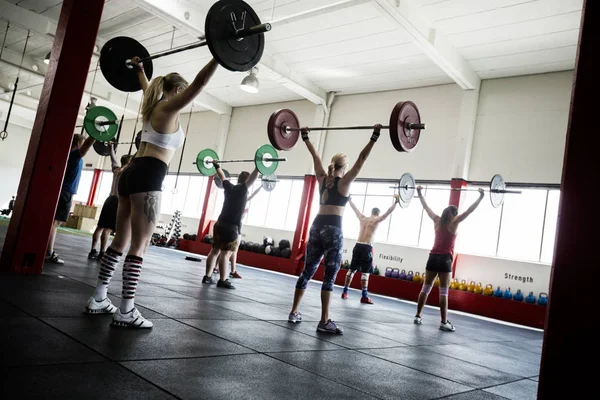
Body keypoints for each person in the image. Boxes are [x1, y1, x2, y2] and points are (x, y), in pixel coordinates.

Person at [83, 56, 219, 329]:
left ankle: (99, 298)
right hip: (149, 174)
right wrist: (219, 56)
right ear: (178, 90)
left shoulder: (152, 103)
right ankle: (126, 310)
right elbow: (201, 82)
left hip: (131, 173)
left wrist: (140, 70)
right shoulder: (169, 107)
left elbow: (146, 86)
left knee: (120, 241)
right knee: (139, 245)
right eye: (183, 91)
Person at [288, 124, 381, 334]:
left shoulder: (322, 179)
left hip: (316, 227)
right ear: (344, 167)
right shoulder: (344, 182)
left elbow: (314, 155)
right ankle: (324, 321)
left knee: (307, 272)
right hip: (333, 231)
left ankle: (293, 312)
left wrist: (305, 136)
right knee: (329, 277)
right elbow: (362, 159)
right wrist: (374, 136)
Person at [413, 185, 485, 331]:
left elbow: (426, 207)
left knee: (425, 288)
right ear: (454, 214)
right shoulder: (454, 221)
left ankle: (417, 316)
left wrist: (419, 193)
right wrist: (480, 197)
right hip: (445, 258)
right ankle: (443, 322)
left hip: (432, 257)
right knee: (443, 291)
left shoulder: (436, 220)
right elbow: (469, 211)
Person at [203, 163, 259, 289]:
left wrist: (216, 166)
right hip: (231, 228)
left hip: (219, 225)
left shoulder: (229, 187)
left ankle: (207, 276)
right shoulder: (243, 189)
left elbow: (222, 176)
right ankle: (223, 280)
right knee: (225, 254)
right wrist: (258, 166)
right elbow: (253, 178)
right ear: (246, 181)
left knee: (214, 251)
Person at [46, 133, 96, 264]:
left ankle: (47, 251)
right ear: (78, 144)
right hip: (66, 191)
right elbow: (87, 144)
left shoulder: (67, 155)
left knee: (54, 222)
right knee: (55, 223)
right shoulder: (74, 155)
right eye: (82, 142)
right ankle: (48, 253)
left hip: (64, 191)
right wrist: (96, 133)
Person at [341, 195, 399, 304]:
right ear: (377, 213)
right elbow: (388, 212)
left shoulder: (363, 218)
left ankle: (345, 292)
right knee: (365, 273)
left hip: (357, 245)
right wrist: (396, 202)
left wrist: (349, 200)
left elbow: (355, 209)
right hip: (367, 247)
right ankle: (364, 296)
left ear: (371, 212)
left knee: (351, 270)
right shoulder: (376, 220)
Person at [88, 144, 133, 261]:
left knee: (99, 228)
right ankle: (102, 253)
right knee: (107, 229)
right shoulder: (126, 173)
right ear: (129, 163)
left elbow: (113, 158)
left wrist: (111, 148)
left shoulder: (116, 170)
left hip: (109, 200)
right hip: (116, 201)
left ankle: (92, 250)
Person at [214, 185, 262, 279]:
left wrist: (260, 187)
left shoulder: (245, 200)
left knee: (230, 250)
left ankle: (231, 270)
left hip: (237, 226)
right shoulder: (239, 199)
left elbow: (252, 195)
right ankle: (220, 269)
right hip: (233, 226)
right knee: (225, 250)